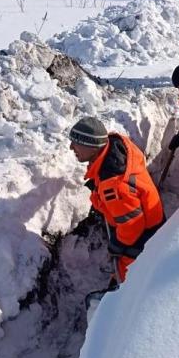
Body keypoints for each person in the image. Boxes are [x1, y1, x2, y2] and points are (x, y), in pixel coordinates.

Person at [69, 116, 165, 284]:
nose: (71, 148)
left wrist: (118, 245)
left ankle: (118, 299)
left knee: (128, 279)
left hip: (145, 235)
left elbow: (132, 225)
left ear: (92, 147)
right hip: (148, 215)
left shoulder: (114, 186)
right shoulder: (116, 148)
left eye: (76, 143)